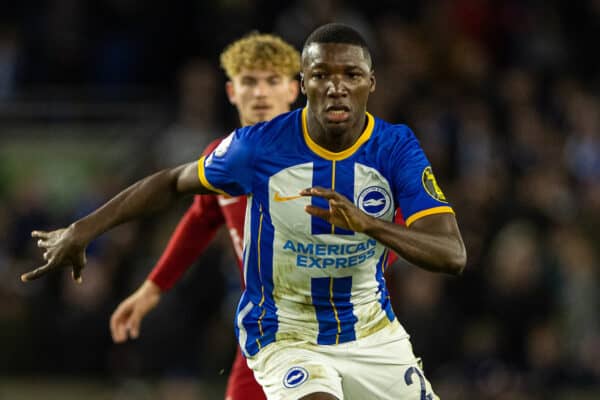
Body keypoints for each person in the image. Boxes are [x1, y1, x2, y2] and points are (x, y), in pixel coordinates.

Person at [23, 23, 466, 400]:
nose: (336, 86)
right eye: (322, 74)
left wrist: (367, 224)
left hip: (371, 333)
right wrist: (83, 230)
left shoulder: (395, 148)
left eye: (351, 73)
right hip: (283, 333)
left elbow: (452, 254)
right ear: (305, 83)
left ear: (371, 83)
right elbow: (172, 185)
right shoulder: (256, 149)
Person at [110, 32, 300, 400]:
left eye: (272, 81)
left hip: (332, 327)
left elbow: (388, 217)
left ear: (293, 90)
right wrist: (152, 288)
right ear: (232, 92)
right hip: (266, 329)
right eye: (249, 82)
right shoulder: (222, 156)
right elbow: (199, 219)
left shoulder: (327, 158)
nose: (260, 94)